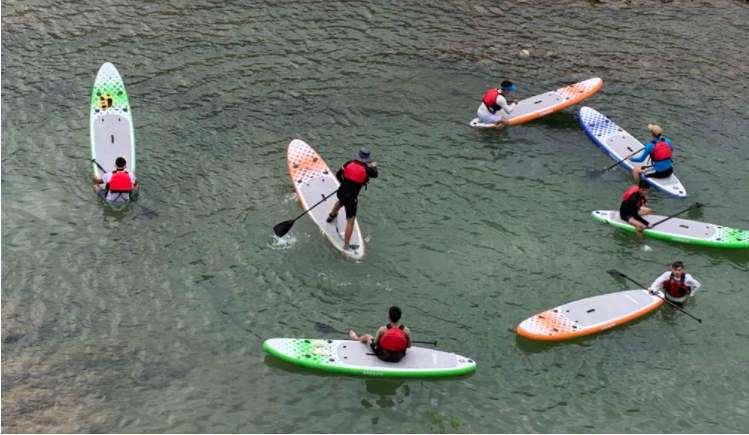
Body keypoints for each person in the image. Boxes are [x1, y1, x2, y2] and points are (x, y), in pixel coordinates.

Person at [326, 147, 378, 251]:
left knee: (340, 202)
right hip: (351, 198)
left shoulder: (348, 163)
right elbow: (375, 174)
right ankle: (346, 246)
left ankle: (331, 216)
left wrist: (343, 184)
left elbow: (338, 174)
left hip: (341, 192)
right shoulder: (368, 170)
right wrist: (374, 166)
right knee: (350, 221)